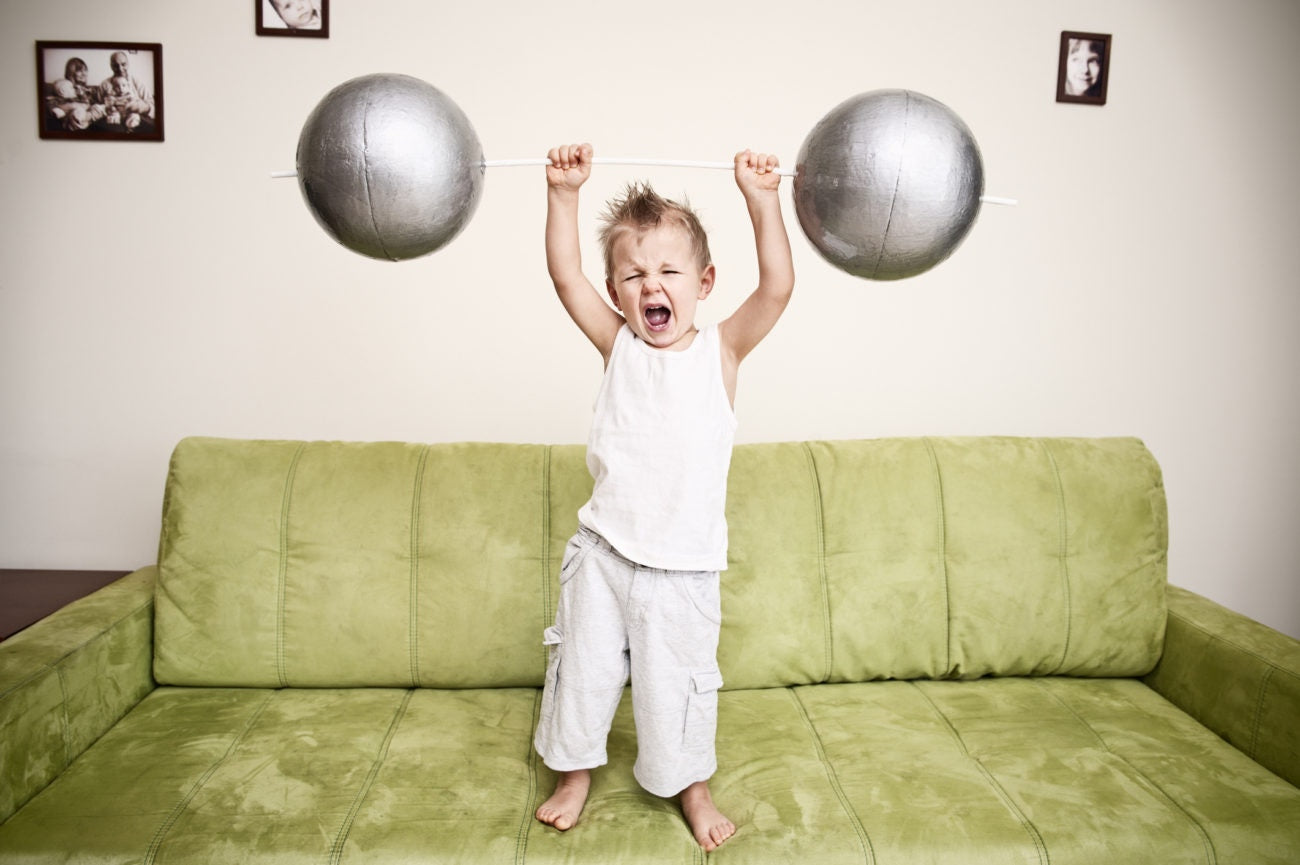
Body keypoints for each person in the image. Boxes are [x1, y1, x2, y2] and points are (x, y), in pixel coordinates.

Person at [532, 142, 795, 852]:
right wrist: (565, 194)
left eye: (669, 271)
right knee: (581, 672)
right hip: (604, 555)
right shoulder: (617, 344)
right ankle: (574, 770)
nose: (652, 285)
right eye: (634, 274)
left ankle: (691, 783)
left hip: (682, 570)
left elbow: (776, 288)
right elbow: (564, 277)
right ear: (619, 291)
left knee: (676, 685)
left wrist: (761, 199)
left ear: (703, 281)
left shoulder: (723, 354)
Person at [45, 57, 106, 132]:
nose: (84, 73)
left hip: (87, 112)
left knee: (100, 107)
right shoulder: (64, 87)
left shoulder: (88, 90)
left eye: (85, 70)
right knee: (77, 113)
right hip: (73, 114)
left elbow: (94, 102)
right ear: (70, 73)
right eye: (79, 71)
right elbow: (51, 102)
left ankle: (87, 118)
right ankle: (81, 120)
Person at [99, 52, 155, 131]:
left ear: (128, 64)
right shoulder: (104, 85)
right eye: (116, 66)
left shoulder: (136, 81)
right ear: (111, 66)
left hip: (135, 117)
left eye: (123, 64)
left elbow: (152, 104)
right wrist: (109, 107)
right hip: (114, 120)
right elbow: (98, 106)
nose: (120, 69)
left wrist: (141, 107)